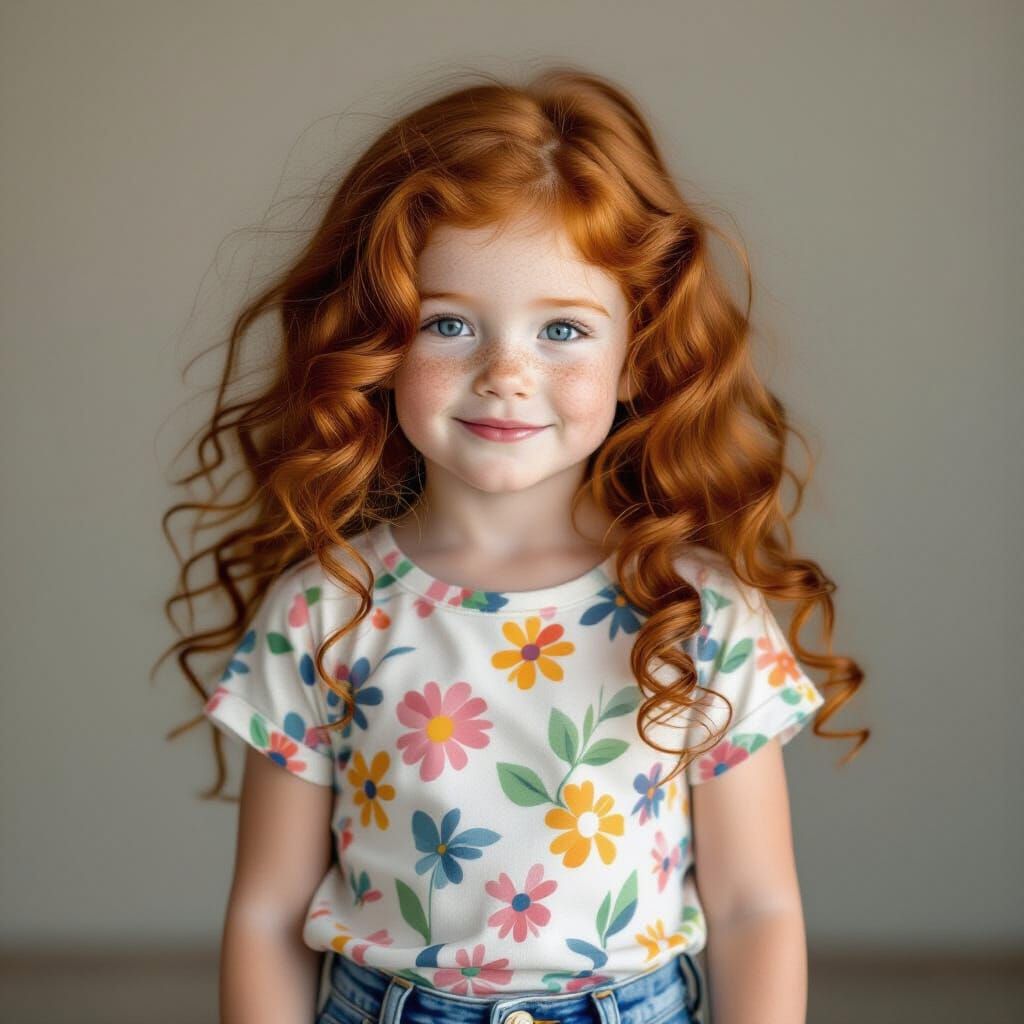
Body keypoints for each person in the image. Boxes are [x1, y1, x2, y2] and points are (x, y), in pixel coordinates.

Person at [161, 66, 867, 1024]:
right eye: (449, 324)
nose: (505, 373)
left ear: (638, 351)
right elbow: (266, 913)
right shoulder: (324, 609)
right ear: (380, 341)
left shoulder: (698, 615)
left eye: (563, 329)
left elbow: (756, 909)